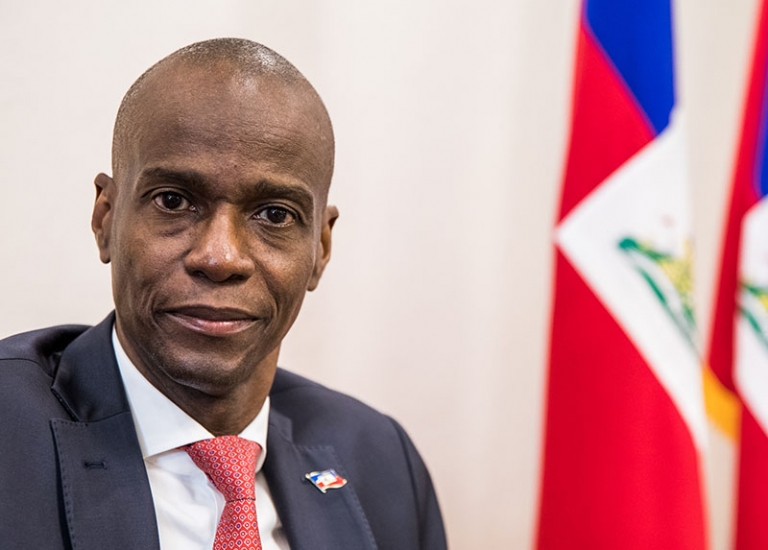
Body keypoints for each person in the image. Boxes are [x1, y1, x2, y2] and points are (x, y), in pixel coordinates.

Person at [0, 38, 446, 550]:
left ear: (320, 249)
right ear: (106, 219)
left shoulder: (381, 460)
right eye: (173, 201)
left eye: (274, 214)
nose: (220, 258)